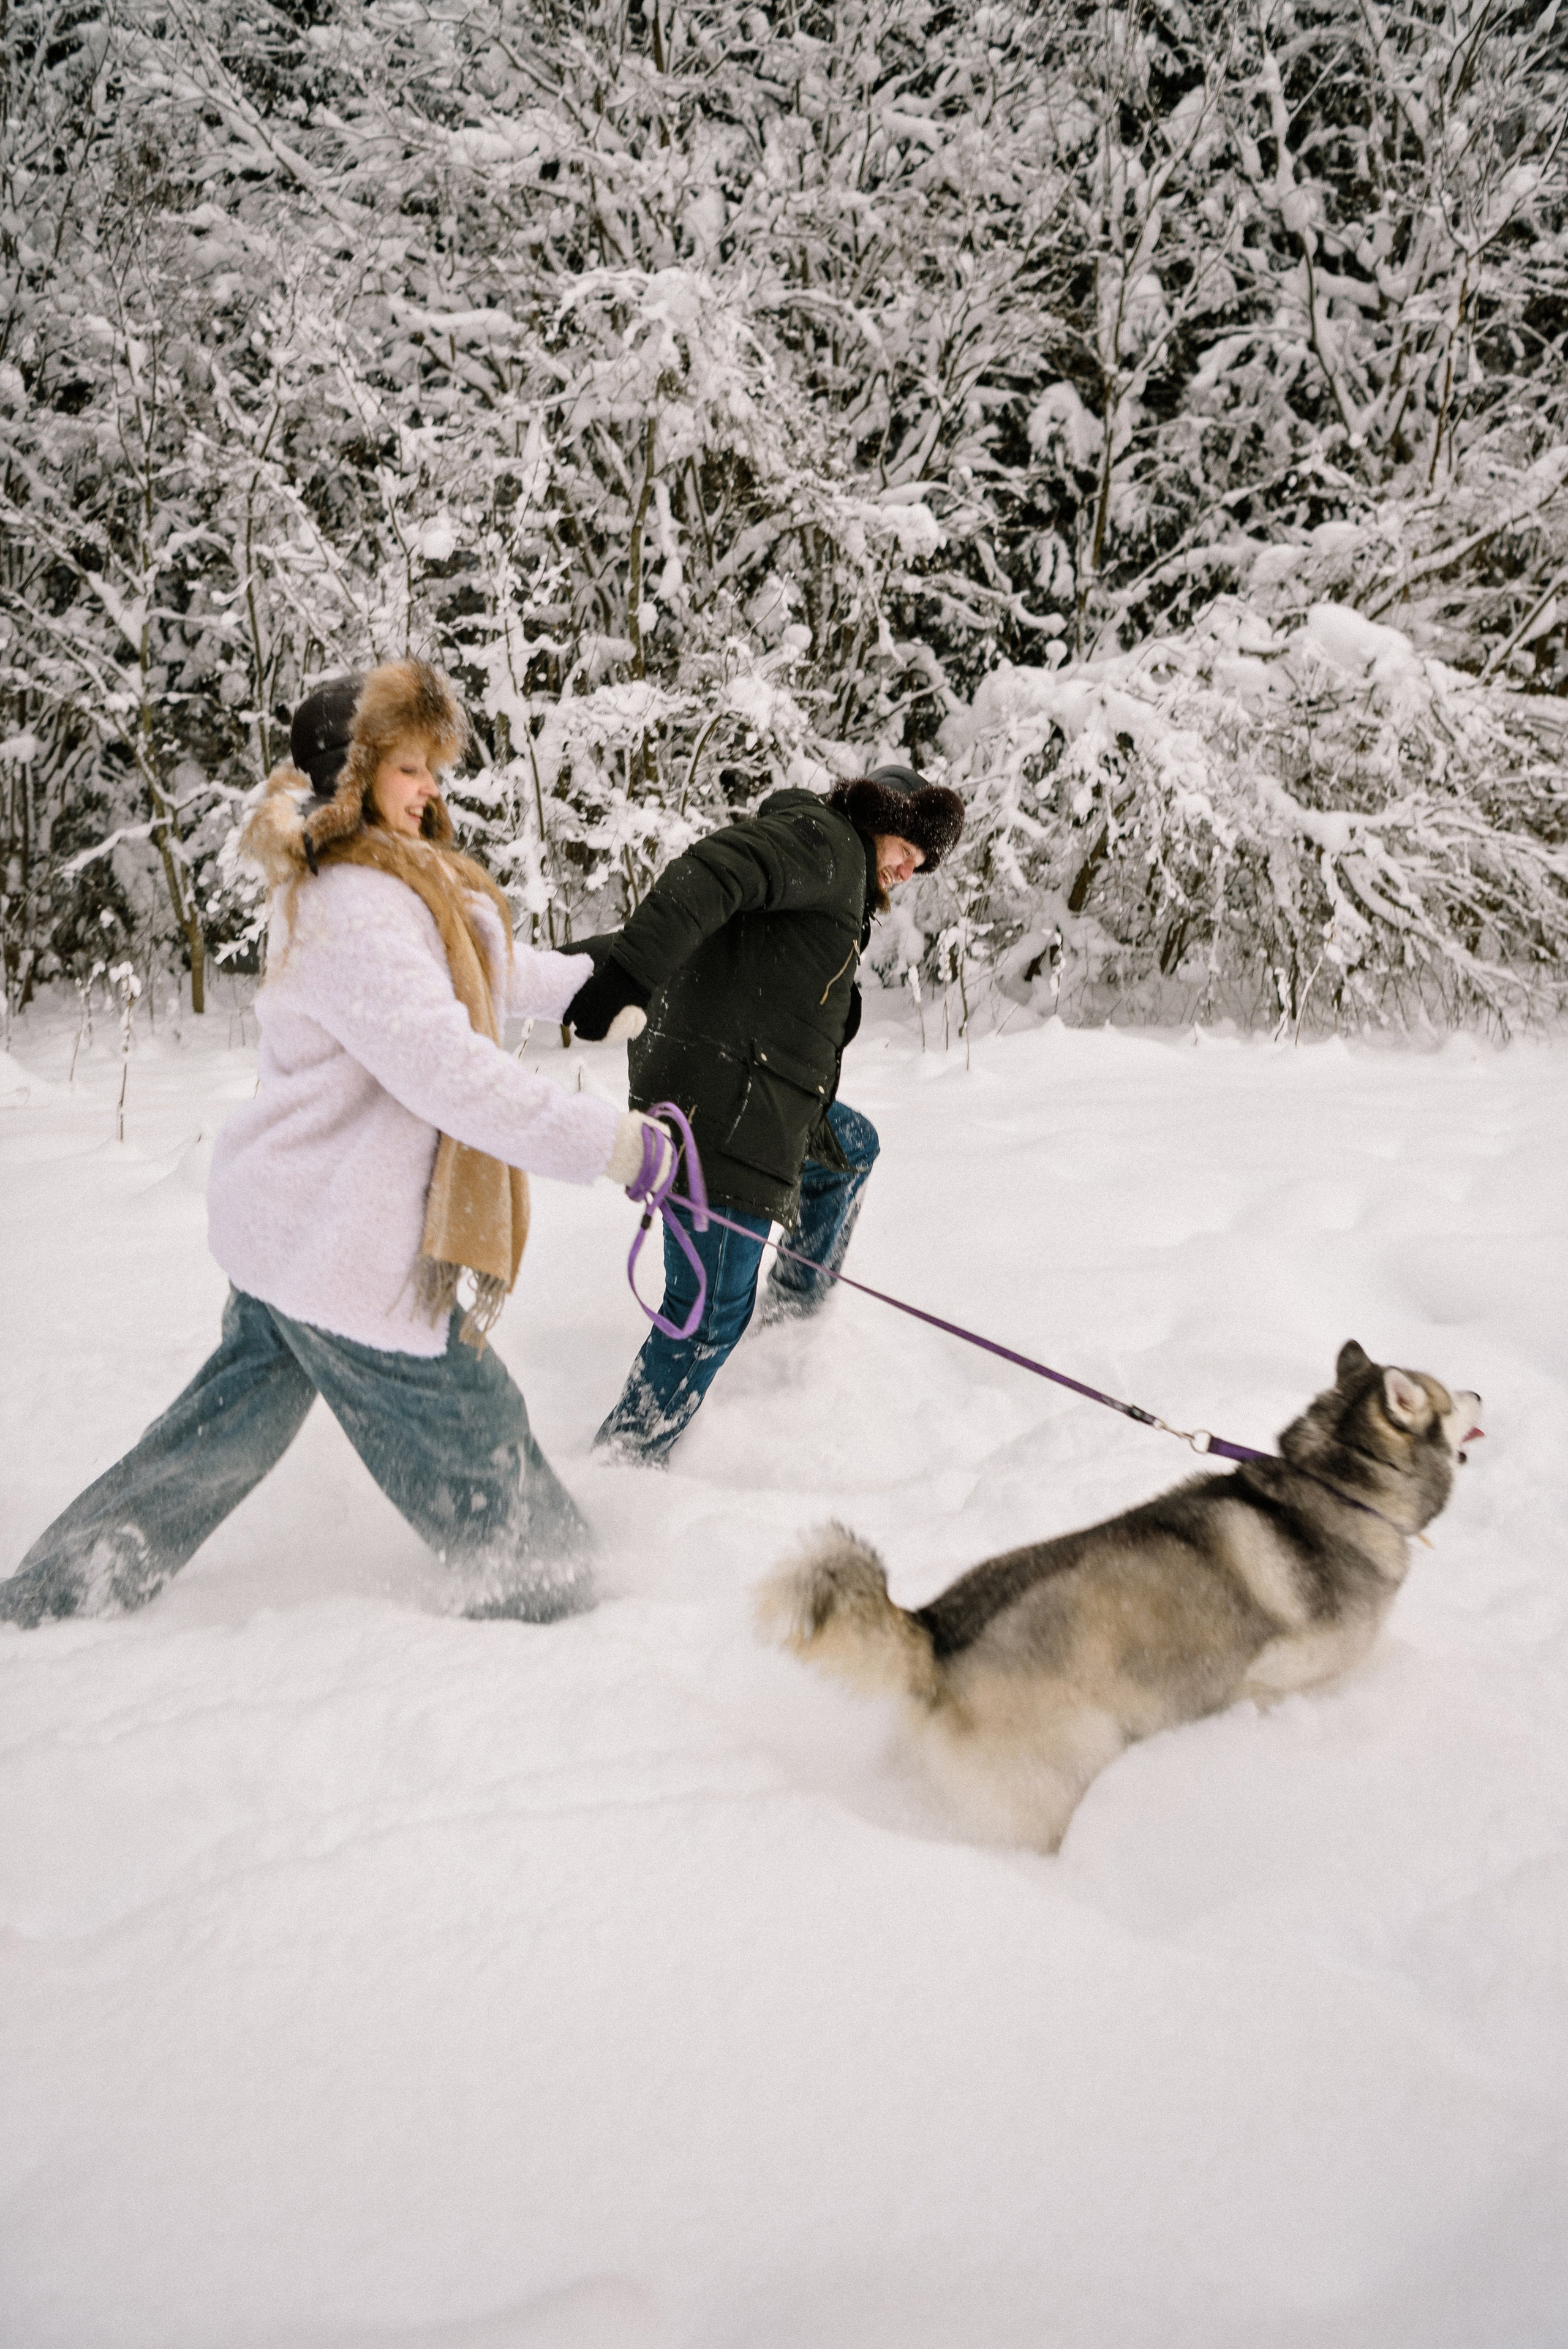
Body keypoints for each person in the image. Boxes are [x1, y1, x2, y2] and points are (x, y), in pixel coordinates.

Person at [0, 661, 670, 1629]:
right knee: (475, 1424)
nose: (430, 786)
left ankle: (59, 1592)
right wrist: (615, 1145)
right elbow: (448, 1069)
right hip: (343, 1242)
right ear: (352, 773)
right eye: (408, 766)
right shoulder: (353, 905)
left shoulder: (383, 874)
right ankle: (559, 1606)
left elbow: (472, 967)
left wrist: (589, 987)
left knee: (218, 1437)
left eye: (433, 765)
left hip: (296, 1228)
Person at [564, 763, 965, 1466]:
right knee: (707, 1316)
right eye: (907, 849)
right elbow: (710, 873)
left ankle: (791, 1323)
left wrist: (555, 966)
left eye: (921, 864)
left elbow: (710, 932)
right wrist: (626, 974)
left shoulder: (831, 878)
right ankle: (620, 1464)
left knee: (851, 1149)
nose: (908, 871)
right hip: (725, 1115)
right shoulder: (825, 843)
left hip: (762, 1104)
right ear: (879, 817)